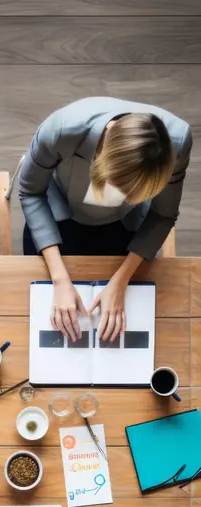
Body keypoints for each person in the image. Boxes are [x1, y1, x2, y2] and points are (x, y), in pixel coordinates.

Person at [19, 97, 191, 343]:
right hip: (59, 216)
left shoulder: (178, 142)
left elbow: (162, 215)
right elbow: (30, 192)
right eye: (120, 188)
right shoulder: (61, 129)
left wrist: (121, 282)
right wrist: (59, 279)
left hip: (126, 224)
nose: (122, 197)